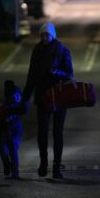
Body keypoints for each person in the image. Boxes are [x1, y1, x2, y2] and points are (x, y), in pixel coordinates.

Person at [22, 22, 74, 179]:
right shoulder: (37, 50)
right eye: (42, 35)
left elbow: (70, 75)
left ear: (53, 35)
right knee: (42, 133)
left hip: (59, 96)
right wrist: (25, 98)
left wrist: (56, 72)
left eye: (47, 35)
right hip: (43, 96)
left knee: (58, 133)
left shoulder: (62, 50)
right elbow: (31, 74)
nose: (44, 38)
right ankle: (43, 162)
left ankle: (57, 166)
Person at [0, 80, 28, 179]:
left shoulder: (15, 96)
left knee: (12, 149)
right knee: (3, 150)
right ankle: (8, 167)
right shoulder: (12, 97)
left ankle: (15, 172)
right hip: (7, 127)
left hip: (14, 127)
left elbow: (21, 109)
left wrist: (5, 112)